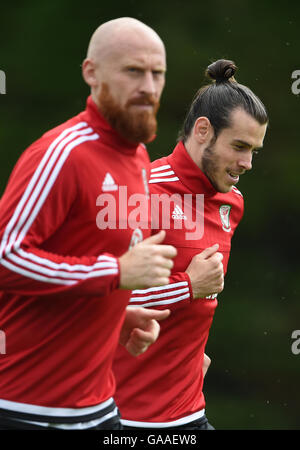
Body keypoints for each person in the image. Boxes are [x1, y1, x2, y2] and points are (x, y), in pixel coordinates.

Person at [0, 17, 179, 430]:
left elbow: (88, 261)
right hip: (26, 409)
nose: (149, 88)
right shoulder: (63, 153)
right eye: (134, 71)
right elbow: (6, 256)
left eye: (158, 74)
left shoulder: (137, 157)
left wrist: (122, 311)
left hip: (99, 409)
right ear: (91, 73)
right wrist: (116, 273)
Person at [113, 59, 269, 430]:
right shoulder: (140, 192)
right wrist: (188, 287)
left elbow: (199, 306)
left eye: (255, 151)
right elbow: (98, 300)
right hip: (126, 419)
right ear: (203, 131)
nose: (247, 163)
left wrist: (193, 350)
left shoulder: (233, 202)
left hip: (190, 413)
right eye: (239, 146)